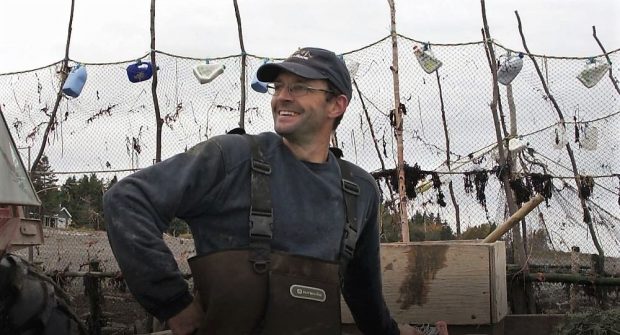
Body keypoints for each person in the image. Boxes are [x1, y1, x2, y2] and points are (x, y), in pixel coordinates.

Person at [104, 47, 420, 335]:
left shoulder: (359, 190)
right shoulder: (232, 158)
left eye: (299, 87)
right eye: (279, 86)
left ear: (336, 105)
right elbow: (126, 201)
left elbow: (364, 292)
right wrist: (174, 305)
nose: (282, 96)